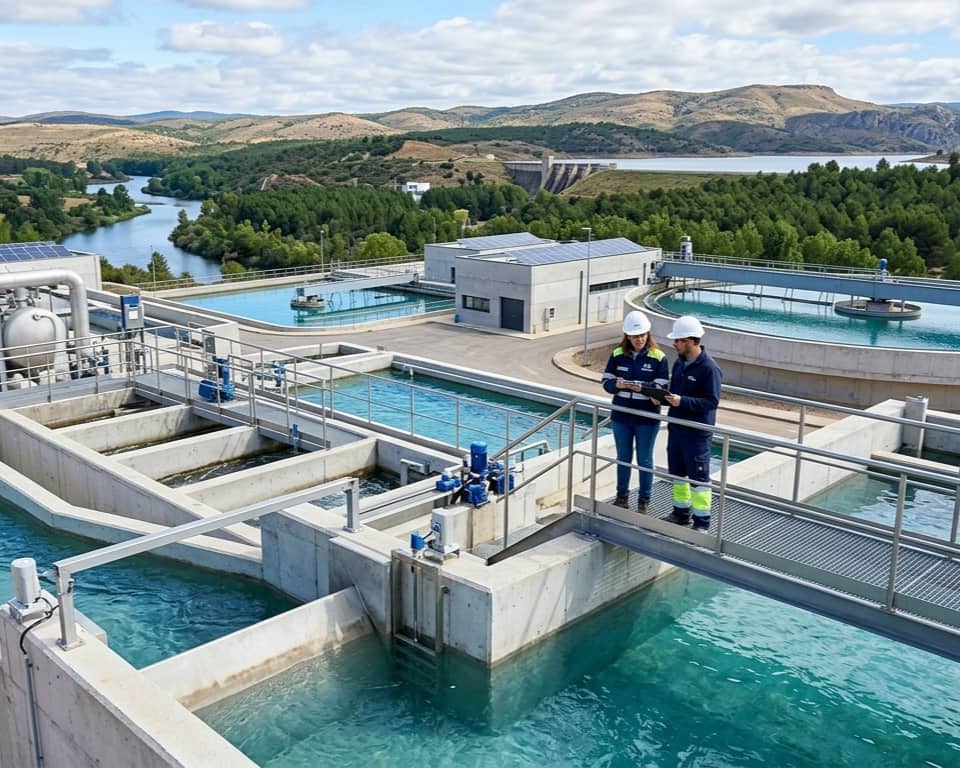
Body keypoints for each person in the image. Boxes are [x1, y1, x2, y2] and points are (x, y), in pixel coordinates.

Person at [602, 310, 669, 511]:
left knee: (645, 458)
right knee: (623, 456)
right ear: (627, 336)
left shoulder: (659, 357)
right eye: (634, 336)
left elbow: (662, 391)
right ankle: (622, 496)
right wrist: (618, 386)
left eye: (642, 335)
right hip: (621, 415)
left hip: (646, 418)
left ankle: (644, 500)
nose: (639, 339)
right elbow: (606, 383)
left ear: (648, 334)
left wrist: (643, 388)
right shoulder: (617, 355)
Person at [662, 315, 722, 531]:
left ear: (690, 341)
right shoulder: (679, 363)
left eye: (678, 340)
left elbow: (711, 401)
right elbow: (674, 390)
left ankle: (702, 521)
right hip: (677, 428)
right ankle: (680, 513)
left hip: (696, 434)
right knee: (677, 473)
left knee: (698, 479)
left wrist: (682, 401)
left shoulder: (709, 369)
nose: (674, 344)